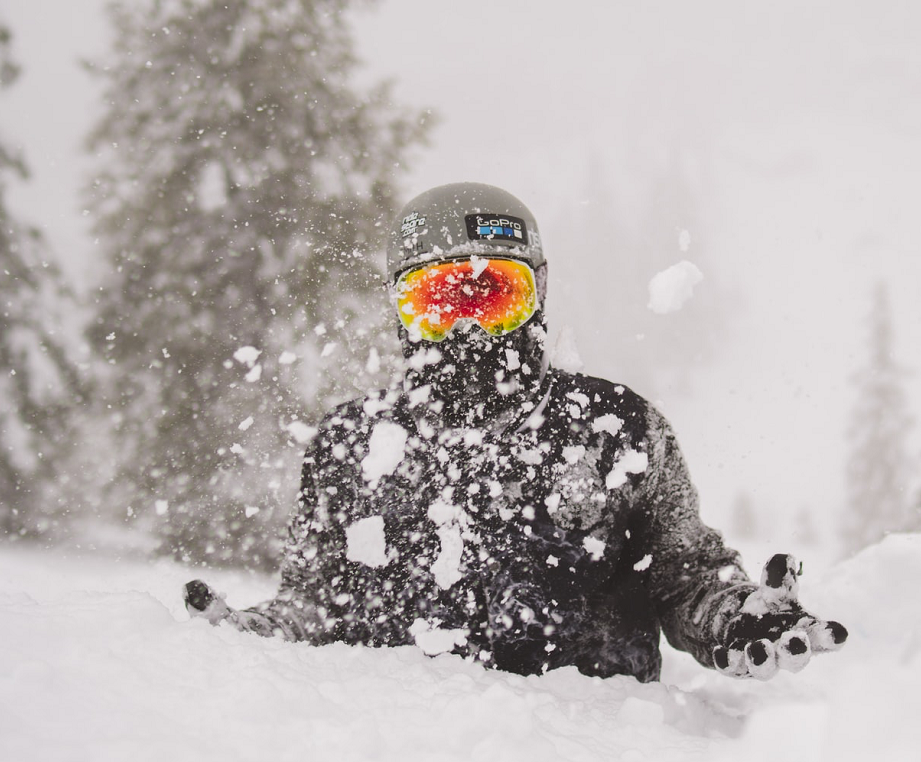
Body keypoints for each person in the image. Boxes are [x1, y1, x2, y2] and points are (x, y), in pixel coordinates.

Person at [183, 182, 846, 682]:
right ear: (400, 310)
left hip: (589, 741)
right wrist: (244, 635)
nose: (468, 329)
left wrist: (732, 615)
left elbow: (682, 578)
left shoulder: (615, 430)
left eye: (494, 295)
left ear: (538, 296)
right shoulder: (351, 445)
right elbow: (314, 606)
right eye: (438, 303)